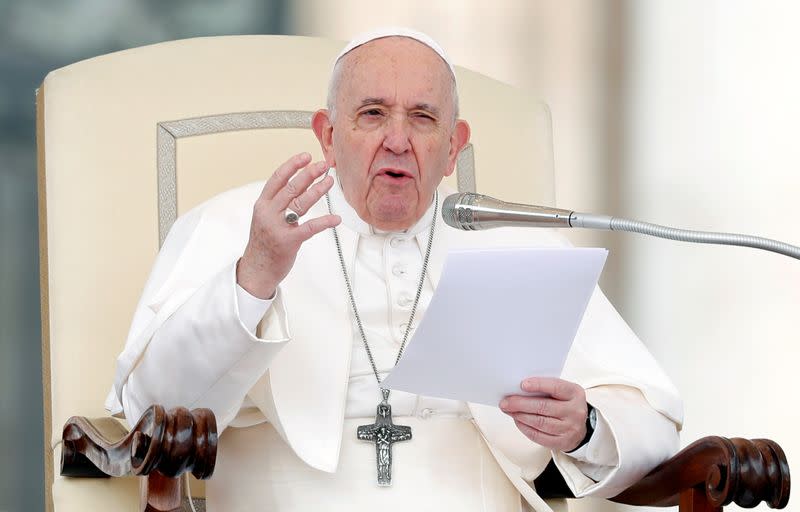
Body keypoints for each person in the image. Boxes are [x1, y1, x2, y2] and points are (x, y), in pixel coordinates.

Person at [106, 28, 682, 511]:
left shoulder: (514, 248)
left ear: (454, 147)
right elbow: (152, 409)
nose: (398, 140)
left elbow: (653, 420)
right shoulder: (240, 225)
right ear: (329, 136)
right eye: (373, 114)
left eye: (424, 118)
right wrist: (255, 274)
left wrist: (585, 429)